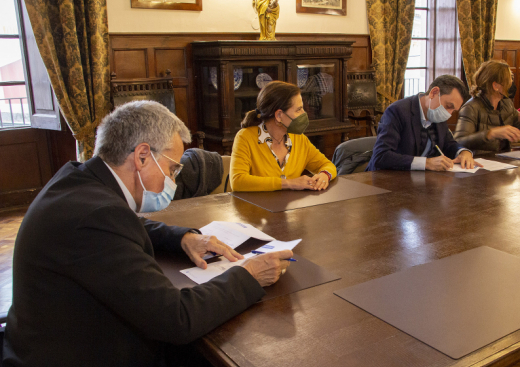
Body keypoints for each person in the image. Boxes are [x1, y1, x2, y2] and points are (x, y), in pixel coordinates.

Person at [3, 101, 292, 367]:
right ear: (142, 156)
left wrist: (182, 237)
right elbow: (176, 319)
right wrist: (249, 275)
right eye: (171, 167)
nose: (174, 179)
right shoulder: (97, 216)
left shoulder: (80, 180)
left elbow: (129, 224)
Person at [230, 81, 337, 192]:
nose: (304, 113)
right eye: (298, 109)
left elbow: (327, 165)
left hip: (291, 208)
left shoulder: (298, 138)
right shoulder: (245, 137)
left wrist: (324, 175)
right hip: (255, 208)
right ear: (279, 115)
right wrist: (289, 183)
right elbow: (237, 181)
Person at [366, 74, 478, 172]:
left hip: (421, 182)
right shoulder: (397, 111)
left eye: (453, 111)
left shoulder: (438, 114)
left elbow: (449, 144)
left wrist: (463, 152)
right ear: (434, 93)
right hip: (387, 181)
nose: (449, 114)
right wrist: (426, 163)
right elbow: (381, 156)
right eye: (449, 106)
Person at [454, 60, 520, 153]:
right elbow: (459, 141)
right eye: (509, 79)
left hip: (504, 159)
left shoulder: (506, 103)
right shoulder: (471, 108)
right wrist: (490, 134)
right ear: (495, 86)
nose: (511, 83)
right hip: (480, 162)